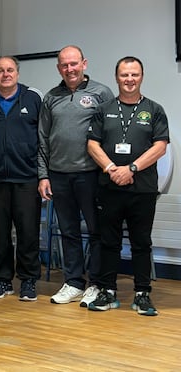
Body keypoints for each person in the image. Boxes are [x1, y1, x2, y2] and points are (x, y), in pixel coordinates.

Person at [86, 56, 169, 316]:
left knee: (141, 242)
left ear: (141, 76)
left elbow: (160, 146)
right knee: (108, 241)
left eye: (134, 74)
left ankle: (142, 294)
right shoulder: (103, 109)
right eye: (124, 75)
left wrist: (131, 168)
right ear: (117, 77)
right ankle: (107, 292)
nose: (129, 80)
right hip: (109, 187)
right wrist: (112, 169)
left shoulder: (154, 110)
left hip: (142, 188)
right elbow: (92, 144)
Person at [38, 45, 115, 306]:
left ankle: (96, 283)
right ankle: (73, 282)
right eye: (64, 65)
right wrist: (43, 175)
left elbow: (112, 133)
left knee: (96, 231)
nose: (69, 69)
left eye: (74, 64)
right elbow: (43, 140)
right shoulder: (51, 97)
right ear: (59, 68)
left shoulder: (102, 93)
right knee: (68, 231)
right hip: (59, 174)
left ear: (84, 63)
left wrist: (108, 169)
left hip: (91, 174)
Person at [0, 56, 43, 300]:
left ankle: (28, 281)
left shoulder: (33, 99)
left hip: (26, 178)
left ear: (17, 73)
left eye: (10, 70)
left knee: (28, 233)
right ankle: (2, 281)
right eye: (0, 70)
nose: (5, 74)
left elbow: (43, 137)